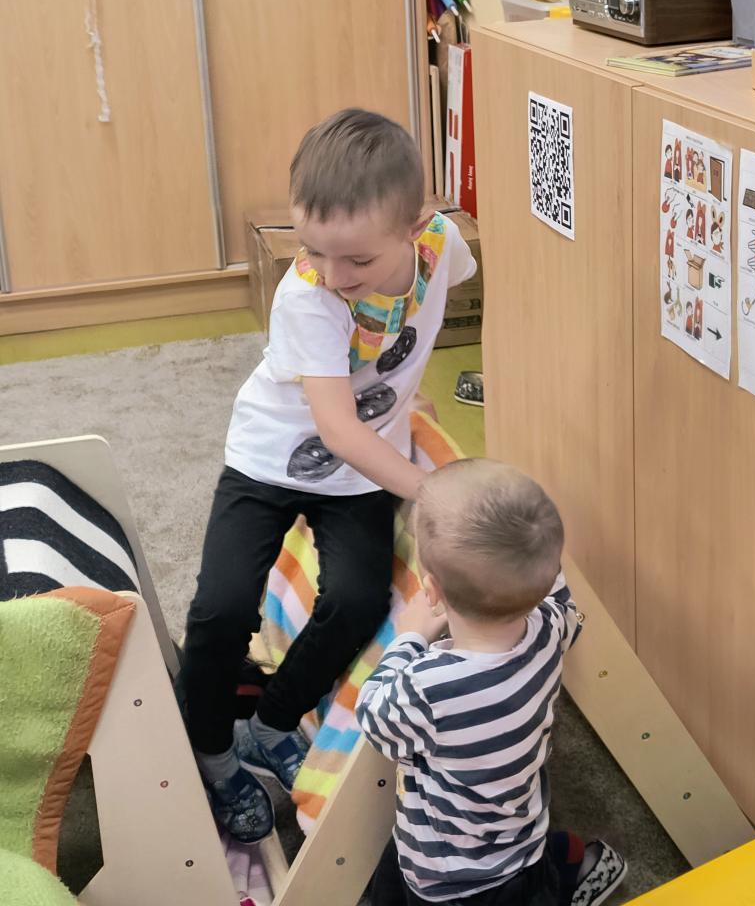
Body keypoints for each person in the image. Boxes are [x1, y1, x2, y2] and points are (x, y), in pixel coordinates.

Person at [178, 108, 477, 843]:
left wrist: (410, 394)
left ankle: (274, 722)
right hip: (270, 457)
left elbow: (427, 320)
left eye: (357, 261)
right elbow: (337, 430)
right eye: (312, 249)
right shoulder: (307, 296)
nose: (332, 275)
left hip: (357, 470)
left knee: (357, 599)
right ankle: (213, 756)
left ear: (417, 226)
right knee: (220, 609)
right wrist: (432, 489)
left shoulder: (444, 246)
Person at [357, 459, 627, 906]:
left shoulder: (428, 686)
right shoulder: (551, 628)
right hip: (521, 841)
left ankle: (568, 881)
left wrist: (409, 638)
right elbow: (560, 596)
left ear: (431, 592)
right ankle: (565, 870)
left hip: (445, 878)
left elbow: (373, 716)